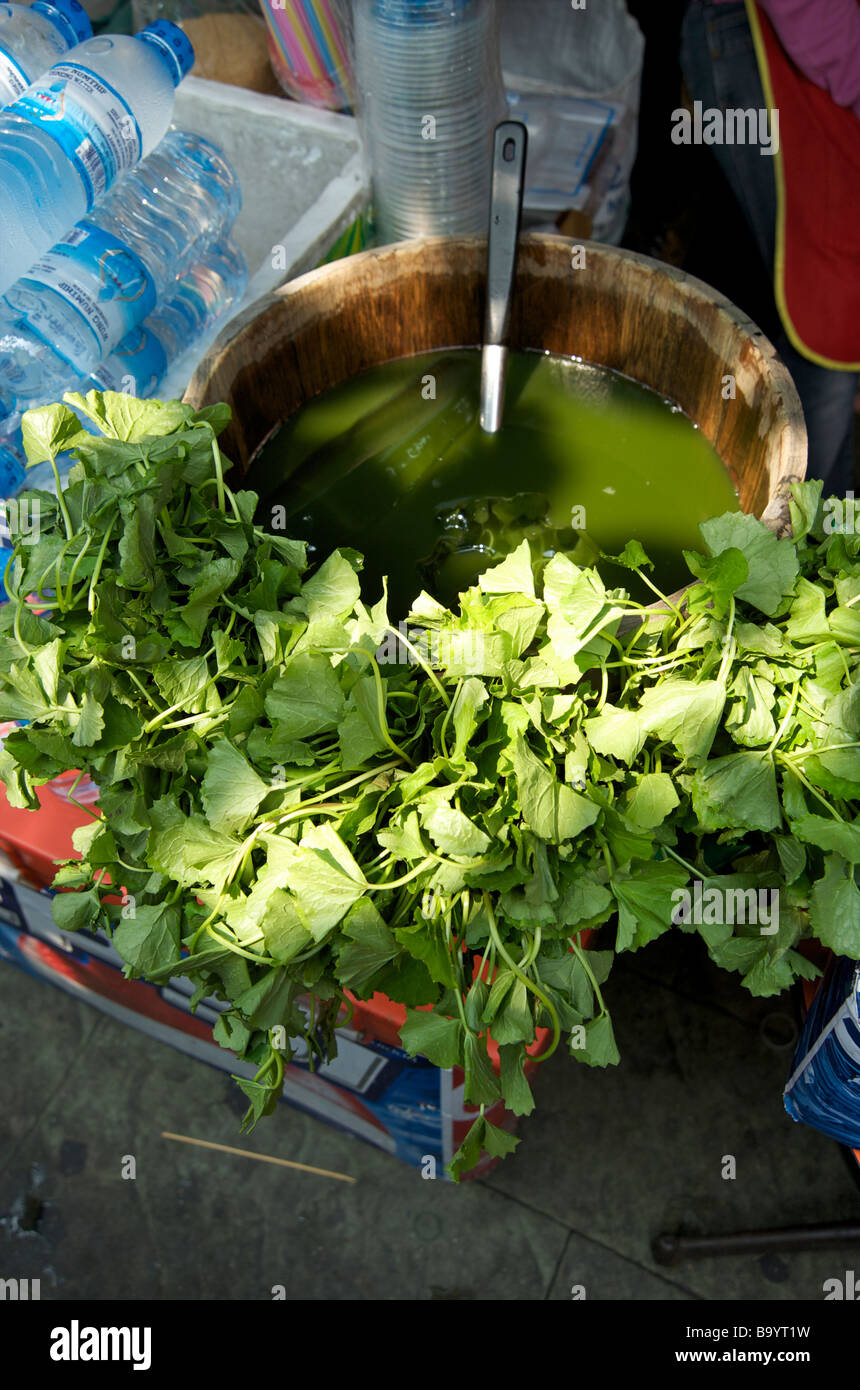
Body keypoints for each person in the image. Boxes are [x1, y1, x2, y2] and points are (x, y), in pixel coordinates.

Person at [680, 0, 860, 495]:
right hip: (786, 45)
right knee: (825, 314)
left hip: (802, 55)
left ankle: (822, 530)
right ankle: (802, 538)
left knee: (818, 329)